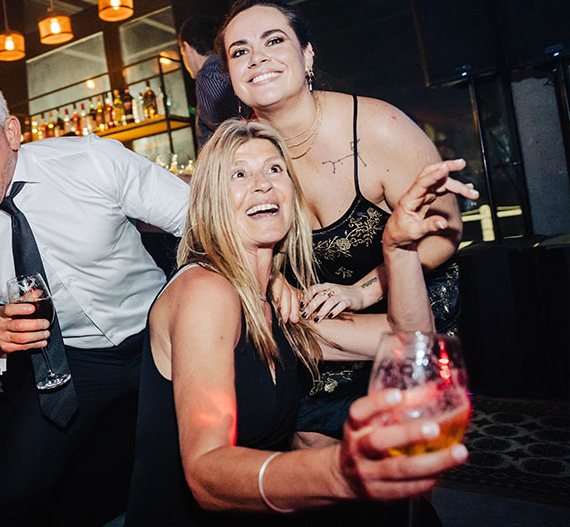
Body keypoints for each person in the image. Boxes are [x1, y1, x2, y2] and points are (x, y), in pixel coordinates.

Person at [125, 119, 479, 525]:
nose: (263, 184)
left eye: (275, 169)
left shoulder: (277, 300)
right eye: (239, 174)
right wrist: (339, 471)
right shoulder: (205, 292)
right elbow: (206, 474)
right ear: (210, 200)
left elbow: (414, 341)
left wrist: (398, 251)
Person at [0, 71, 190, 525]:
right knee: (8, 496)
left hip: (161, 334)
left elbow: (198, 218)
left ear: (10, 132)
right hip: (74, 359)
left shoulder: (88, 160)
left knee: (183, 470)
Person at [216, 0, 465, 444]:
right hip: (315, 331)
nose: (257, 58)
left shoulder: (377, 127)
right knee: (310, 451)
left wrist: (361, 291)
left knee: (402, 455)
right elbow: (219, 241)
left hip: (406, 311)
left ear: (307, 54)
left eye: (274, 41)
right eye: (240, 51)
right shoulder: (236, 156)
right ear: (231, 76)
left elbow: (444, 231)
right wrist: (271, 278)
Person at [178, 15, 249, 148]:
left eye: (182, 52)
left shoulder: (208, 75)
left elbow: (232, 130)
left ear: (187, 48)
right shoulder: (226, 67)